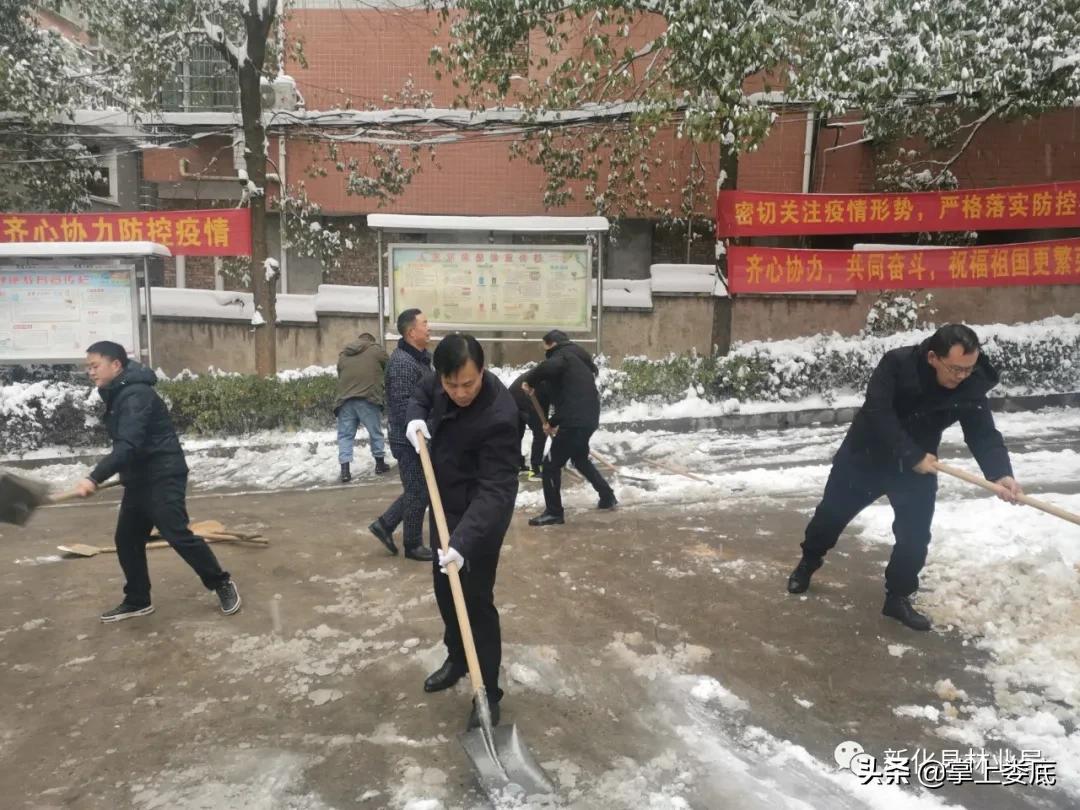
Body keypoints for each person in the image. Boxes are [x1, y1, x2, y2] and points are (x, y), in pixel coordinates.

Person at [786, 324, 1022, 631]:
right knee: (830, 517)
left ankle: (897, 596)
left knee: (915, 536)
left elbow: (982, 432)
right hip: (866, 457)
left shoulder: (969, 382)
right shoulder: (897, 365)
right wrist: (911, 455)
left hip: (917, 467)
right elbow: (877, 412)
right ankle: (809, 561)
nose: (962, 376)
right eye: (955, 369)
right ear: (933, 358)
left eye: (969, 369)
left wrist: (1000, 473)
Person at [73, 341, 240, 622]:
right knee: (127, 539)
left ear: (116, 365)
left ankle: (221, 583)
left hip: (163, 474)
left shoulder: (135, 395)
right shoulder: (117, 392)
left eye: (95, 365)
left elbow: (127, 445)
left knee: (176, 534)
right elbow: (130, 446)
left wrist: (93, 477)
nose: (90, 372)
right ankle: (138, 599)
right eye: (87, 367)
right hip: (139, 478)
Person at [405, 334, 519, 729]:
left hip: (482, 515)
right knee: (444, 589)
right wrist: (414, 417)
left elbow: (496, 489)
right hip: (445, 506)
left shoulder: (501, 415)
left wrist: (464, 542)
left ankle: (487, 689)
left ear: (482, 372)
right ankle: (457, 657)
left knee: (475, 599)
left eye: (467, 384)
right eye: (451, 385)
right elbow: (421, 391)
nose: (458, 393)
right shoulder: (439, 381)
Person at [522, 330, 616, 526]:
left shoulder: (563, 356)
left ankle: (554, 512)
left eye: (545, 348)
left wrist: (529, 380)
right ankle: (607, 496)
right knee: (580, 459)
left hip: (575, 421)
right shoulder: (578, 359)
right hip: (588, 419)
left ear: (552, 345)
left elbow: (549, 367)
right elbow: (573, 400)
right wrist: (553, 422)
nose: (545, 353)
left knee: (550, 466)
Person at [368, 309, 435, 562]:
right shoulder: (402, 364)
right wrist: (421, 434)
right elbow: (403, 405)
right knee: (418, 490)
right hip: (408, 438)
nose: (428, 328)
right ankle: (413, 544)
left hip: (420, 436)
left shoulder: (419, 359)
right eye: (424, 323)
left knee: (419, 488)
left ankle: (385, 525)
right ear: (411, 332)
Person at [334, 332, 390, 482]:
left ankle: (345, 471)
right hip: (367, 399)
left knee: (345, 435)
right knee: (375, 432)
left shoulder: (344, 353)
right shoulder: (375, 349)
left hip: (345, 400)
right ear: (371, 341)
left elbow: (340, 373)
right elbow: (389, 366)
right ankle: (380, 464)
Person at [508, 372, 550, 478]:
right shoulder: (550, 378)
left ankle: (517, 464)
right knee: (541, 431)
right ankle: (535, 470)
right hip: (524, 397)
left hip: (514, 396)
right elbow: (544, 404)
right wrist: (548, 422)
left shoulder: (550, 371)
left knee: (517, 432)